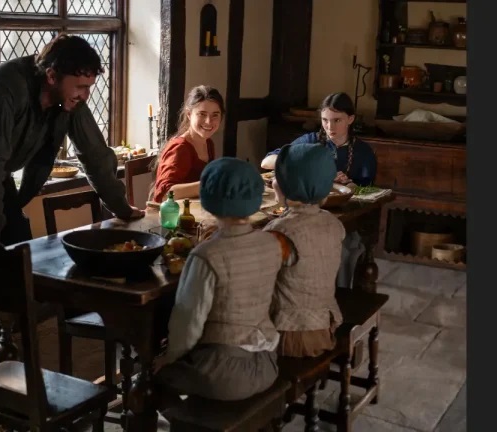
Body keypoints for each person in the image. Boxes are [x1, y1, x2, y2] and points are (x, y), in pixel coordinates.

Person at [0, 34, 144, 370]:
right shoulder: (2, 89)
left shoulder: (70, 100)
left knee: (17, 266)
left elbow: (94, 154)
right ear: (51, 76)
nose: (85, 95)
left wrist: (122, 208)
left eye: (89, 87)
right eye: (80, 86)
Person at [153, 157, 288, 402]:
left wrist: (168, 357)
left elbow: (188, 323)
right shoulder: (271, 243)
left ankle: (182, 417)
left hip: (223, 374)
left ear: (208, 200)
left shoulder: (207, 255)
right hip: (268, 364)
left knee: (154, 375)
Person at [261, 92, 377, 289]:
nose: (330, 127)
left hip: (345, 215)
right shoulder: (310, 141)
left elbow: (367, 189)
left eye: (337, 120)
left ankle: (338, 292)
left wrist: (350, 184)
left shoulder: (363, 152)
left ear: (350, 119)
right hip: (305, 210)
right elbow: (266, 162)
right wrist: (306, 164)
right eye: (325, 120)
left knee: (345, 246)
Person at [264, 143, 345, 358]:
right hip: (324, 327)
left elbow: (256, 278)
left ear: (284, 185)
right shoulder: (333, 223)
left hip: (290, 335)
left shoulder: (281, 232)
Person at [150, 85, 224, 202]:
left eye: (215, 115)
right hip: (170, 212)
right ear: (189, 114)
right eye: (202, 114)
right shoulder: (180, 148)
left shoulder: (208, 143)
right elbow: (164, 194)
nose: (209, 121)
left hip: (193, 209)